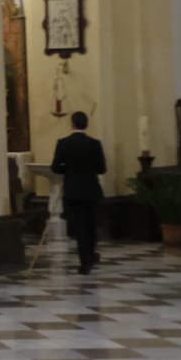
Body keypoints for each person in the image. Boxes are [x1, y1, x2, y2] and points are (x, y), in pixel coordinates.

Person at [50, 111, 105, 274]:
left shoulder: (63, 143)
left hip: (73, 190)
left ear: (72, 124)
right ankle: (90, 254)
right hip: (91, 190)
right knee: (91, 224)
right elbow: (102, 169)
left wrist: (68, 168)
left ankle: (85, 262)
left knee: (79, 226)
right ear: (86, 124)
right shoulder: (95, 144)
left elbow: (55, 167)